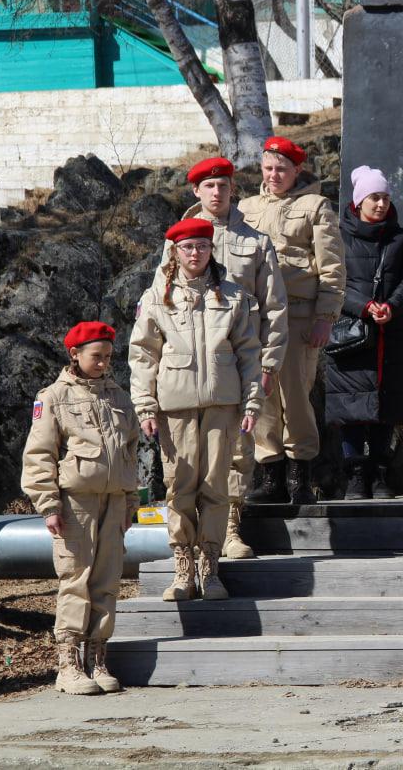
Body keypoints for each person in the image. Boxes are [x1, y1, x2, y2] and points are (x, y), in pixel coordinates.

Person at [159, 157, 288, 560]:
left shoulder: (256, 240)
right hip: (187, 369)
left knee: (236, 450)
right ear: (196, 191)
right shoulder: (177, 240)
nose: (217, 192)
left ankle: (229, 530)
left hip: (236, 362)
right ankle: (188, 541)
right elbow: (159, 306)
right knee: (186, 459)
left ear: (234, 189)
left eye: (224, 185)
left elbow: (275, 307)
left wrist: (269, 364)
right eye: (209, 186)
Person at [130, 218, 263, 602]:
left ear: (210, 250)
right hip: (176, 407)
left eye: (202, 246)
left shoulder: (233, 296)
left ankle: (210, 565)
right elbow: (142, 356)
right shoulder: (156, 297)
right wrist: (145, 406)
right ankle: (183, 565)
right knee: (180, 486)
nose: (195, 254)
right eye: (188, 247)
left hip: (223, 404)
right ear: (174, 251)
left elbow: (249, 355)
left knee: (216, 486)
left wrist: (252, 403)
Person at [21, 322, 139, 695]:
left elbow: (131, 452)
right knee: (75, 577)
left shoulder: (119, 397)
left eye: (107, 356)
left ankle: (97, 657)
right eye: (95, 356)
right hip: (76, 503)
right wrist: (48, 504)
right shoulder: (53, 397)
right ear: (74, 354)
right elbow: (39, 454)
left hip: (114, 501)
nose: (103, 363)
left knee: (107, 580)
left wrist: (131, 501)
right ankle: (68, 664)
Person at [239, 136, 345, 505]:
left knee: (296, 396)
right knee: (262, 396)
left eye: (281, 168)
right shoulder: (247, 207)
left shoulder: (316, 206)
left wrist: (326, 317)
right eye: (268, 168)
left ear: (297, 170)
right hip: (256, 317)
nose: (273, 175)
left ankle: (301, 476)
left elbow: (331, 267)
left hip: (300, 314)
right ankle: (271, 478)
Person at [326, 166, 403, 500]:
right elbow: (332, 281)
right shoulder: (338, 236)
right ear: (359, 200)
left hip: (390, 331)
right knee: (351, 406)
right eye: (374, 197)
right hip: (351, 332)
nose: (381, 204)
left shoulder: (401, 238)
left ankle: (381, 474)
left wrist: (390, 307)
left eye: (385, 197)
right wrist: (365, 306)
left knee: (387, 403)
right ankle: (355, 475)